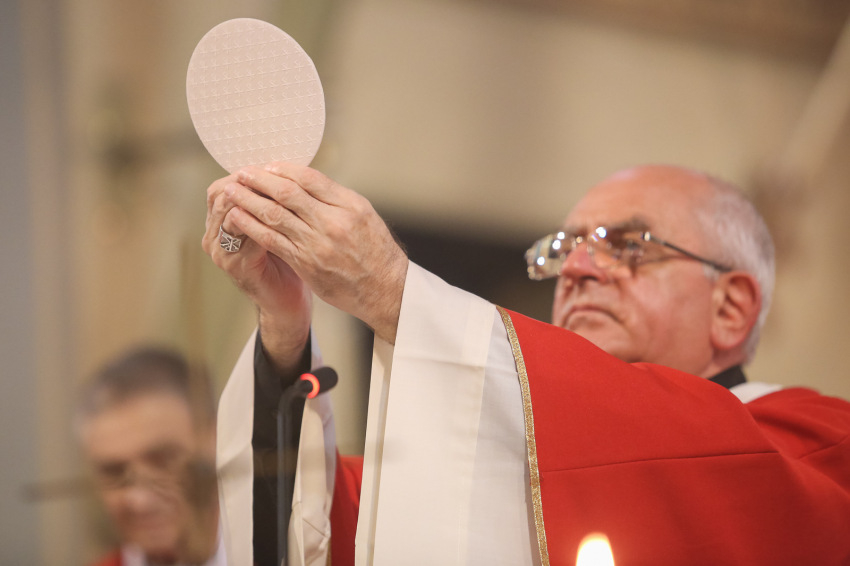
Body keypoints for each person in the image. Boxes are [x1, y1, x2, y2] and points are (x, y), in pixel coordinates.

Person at [203, 163, 850, 565]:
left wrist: (392, 292)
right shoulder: (478, 462)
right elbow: (319, 522)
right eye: (565, 249)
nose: (578, 268)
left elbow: (676, 459)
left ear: (731, 307)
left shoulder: (820, 449)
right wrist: (285, 327)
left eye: (628, 245)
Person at [77, 347, 226, 566]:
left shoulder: (276, 550)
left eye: (163, 462)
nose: (140, 501)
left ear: (216, 439)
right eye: (114, 473)